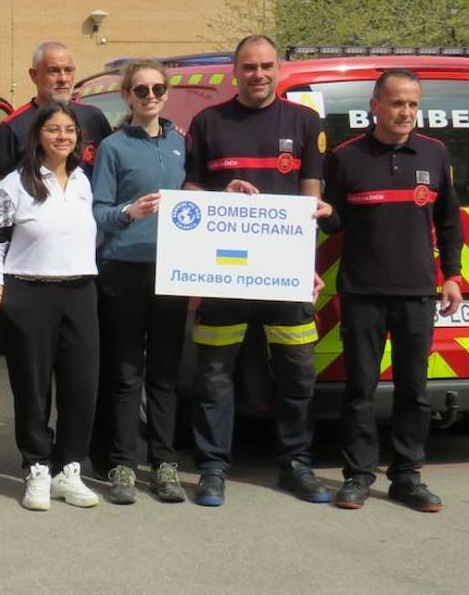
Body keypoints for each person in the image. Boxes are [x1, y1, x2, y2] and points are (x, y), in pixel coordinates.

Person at [183, 34, 331, 507]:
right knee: (214, 375)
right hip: (224, 271)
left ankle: (296, 464)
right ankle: (212, 468)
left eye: (267, 65)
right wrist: (219, 196)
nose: (259, 74)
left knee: (296, 372)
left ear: (278, 69)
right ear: (235, 72)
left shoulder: (305, 122)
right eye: (249, 67)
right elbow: (191, 191)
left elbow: (310, 200)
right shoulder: (209, 122)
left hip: (284, 274)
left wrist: (305, 266)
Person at [320, 69, 462, 512]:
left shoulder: (436, 153)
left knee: (414, 391)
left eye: (413, 104)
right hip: (361, 291)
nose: (405, 112)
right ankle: (358, 475)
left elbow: (449, 221)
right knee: (360, 389)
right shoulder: (345, 158)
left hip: (418, 291)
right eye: (397, 103)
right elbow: (335, 221)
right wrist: (323, 212)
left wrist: (453, 275)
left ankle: (407, 476)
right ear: (375, 107)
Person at [0, 102, 100, 510]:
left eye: (69, 130)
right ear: (38, 136)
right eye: (53, 129)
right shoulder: (12, 186)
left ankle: (69, 469)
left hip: (80, 291)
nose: (62, 137)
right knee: (32, 387)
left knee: (81, 385)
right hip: (28, 292)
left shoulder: (85, 182)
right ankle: (37, 466)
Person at [91, 60, 188, 505]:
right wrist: (130, 213)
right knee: (127, 373)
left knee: (165, 373)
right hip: (124, 269)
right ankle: (123, 464)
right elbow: (98, 210)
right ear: (127, 96)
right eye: (142, 89)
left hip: (172, 270)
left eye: (158, 89)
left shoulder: (181, 144)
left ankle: (164, 462)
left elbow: (199, 200)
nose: (151, 96)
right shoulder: (112, 147)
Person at [0, 41, 112, 182]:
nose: (63, 79)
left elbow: (113, 168)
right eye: (54, 71)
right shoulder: (12, 127)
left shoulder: (94, 117)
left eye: (68, 70)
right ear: (34, 75)